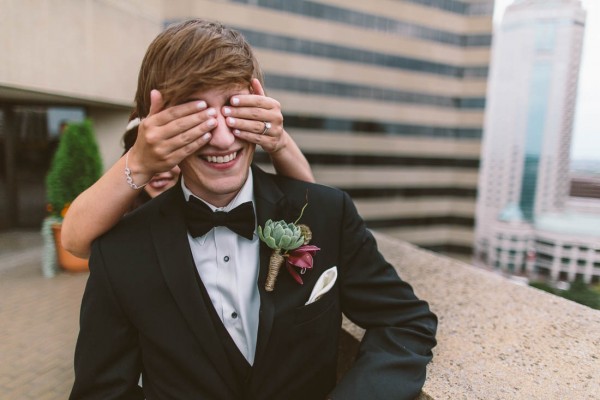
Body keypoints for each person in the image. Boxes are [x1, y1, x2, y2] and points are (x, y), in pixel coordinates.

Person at [69, 19, 437, 400]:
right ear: (157, 121)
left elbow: (407, 322)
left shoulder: (327, 212)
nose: (223, 138)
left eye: (233, 107)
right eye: (197, 115)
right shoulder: (120, 252)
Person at [61, 78, 314, 258]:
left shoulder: (254, 198)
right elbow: (73, 240)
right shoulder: (124, 224)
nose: (159, 169)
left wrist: (277, 138)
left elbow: (311, 204)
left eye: (173, 148)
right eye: (152, 155)